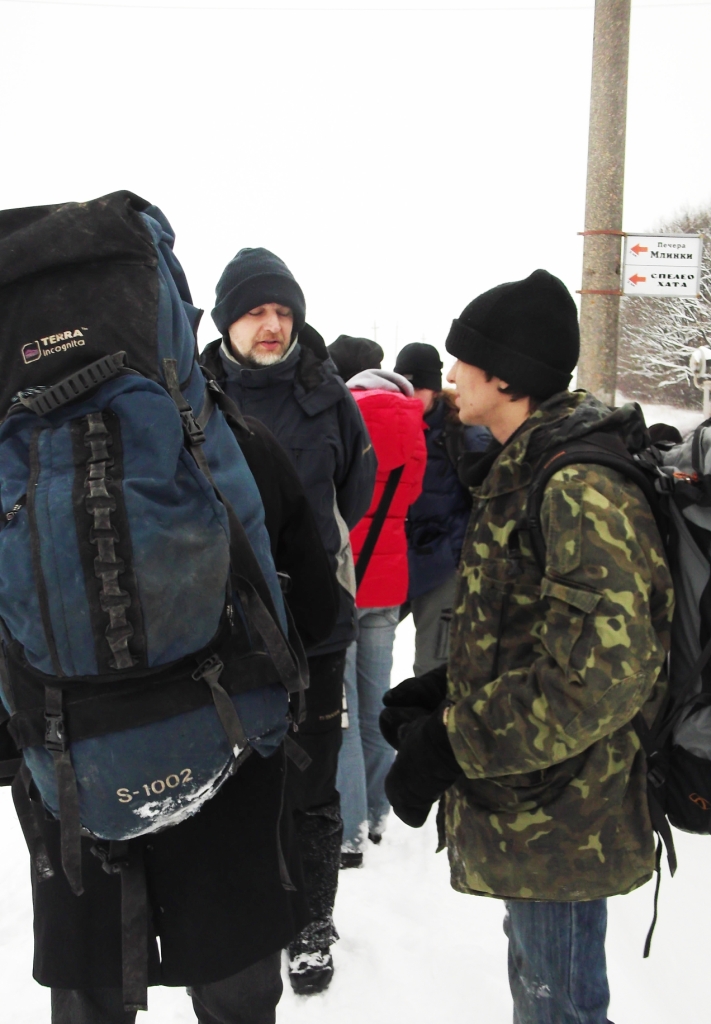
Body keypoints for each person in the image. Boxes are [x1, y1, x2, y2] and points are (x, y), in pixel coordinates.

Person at [381, 270, 673, 1024]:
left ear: (506, 377)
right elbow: (533, 630)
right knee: (543, 994)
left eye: (465, 359)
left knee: (560, 1009)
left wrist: (451, 743)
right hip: (534, 801)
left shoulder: (577, 485)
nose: (450, 375)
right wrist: (446, 689)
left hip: (565, 815)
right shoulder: (524, 466)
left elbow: (599, 676)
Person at [32, 415, 339, 1024]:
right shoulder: (232, 439)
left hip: (77, 782)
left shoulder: (23, 450)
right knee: (235, 992)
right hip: (229, 773)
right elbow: (316, 610)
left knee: (91, 993)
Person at [200, 249, 377, 995]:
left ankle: (311, 924)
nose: (272, 325)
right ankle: (247, 914)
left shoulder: (328, 395)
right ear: (226, 322)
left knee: (311, 780)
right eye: (255, 312)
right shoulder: (189, 393)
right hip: (220, 631)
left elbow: (356, 491)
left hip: (316, 628)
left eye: (283, 311)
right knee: (232, 780)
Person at [327, 338, 426, 867]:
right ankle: (379, 813)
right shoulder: (413, 422)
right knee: (376, 706)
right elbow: (410, 496)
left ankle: (349, 832)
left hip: (346, 578)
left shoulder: (346, 414)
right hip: (388, 583)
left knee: (341, 713)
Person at [393, 343, 489, 676]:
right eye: (404, 387)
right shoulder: (391, 424)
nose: (410, 395)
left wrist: (462, 552)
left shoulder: (462, 432)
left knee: (432, 667)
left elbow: (486, 501)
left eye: (418, 387)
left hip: (444, 562)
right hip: (397, 558)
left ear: (434, 389)